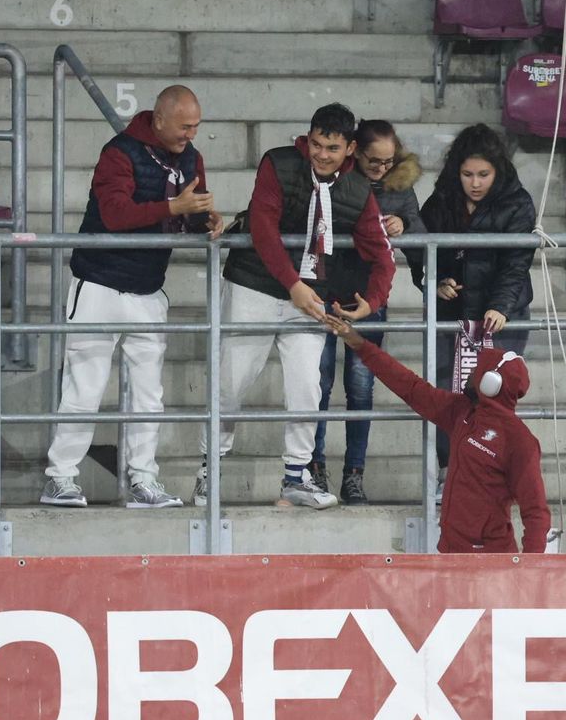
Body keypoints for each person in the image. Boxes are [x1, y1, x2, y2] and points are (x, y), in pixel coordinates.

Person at [194, 103, 396, 509]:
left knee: (308, 386)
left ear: (350, 148)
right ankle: (209, 470)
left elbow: (383, 256)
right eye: (317, 144)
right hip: (253, 285)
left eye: (333, 148)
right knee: (231, 381)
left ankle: (296, 476)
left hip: (311, 296)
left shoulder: (358, 189)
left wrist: (371, 302)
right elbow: (263, 228)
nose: (322, 154)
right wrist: (293, 285)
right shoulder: (278, 162)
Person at [41, 85, 223, 508]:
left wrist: (206, 220)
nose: (190, 135)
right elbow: (114, 214)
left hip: (148, 288)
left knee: (148, 394)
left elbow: (186, 214)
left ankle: (144, 480)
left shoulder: (191, 158)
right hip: (98, 283)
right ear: (158, 119)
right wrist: (173, 208)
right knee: (84, 387)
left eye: (195, 127)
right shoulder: (118, 152)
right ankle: (60, 477)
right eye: (184, 127)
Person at [325, 315, 549, 553]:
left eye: (477, 369)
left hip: (490, 560)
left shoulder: (520, 441)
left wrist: (528, 569)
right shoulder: (462, 411)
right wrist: (359, 344)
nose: (470, 373)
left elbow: (536, 512)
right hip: (449, 552)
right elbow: (409, 386)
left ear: (490, 383)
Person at [412, 123, 536, 495]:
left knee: (495, 397)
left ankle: (492, 477)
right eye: (468, 175)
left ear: (498, 171)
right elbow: (421, 249)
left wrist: (500, 306)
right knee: (447, 396)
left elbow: (516, 262)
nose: (475, 183)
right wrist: (435, 281)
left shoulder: (518, 203)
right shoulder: (441, 199)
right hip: (451, 314)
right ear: (457, 172)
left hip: (502, 318)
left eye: (483, 174)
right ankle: (449, 474)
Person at [308, 119, 426, 505]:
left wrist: (404, 224)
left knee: (360, 388)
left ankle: (354, 474)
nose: (381, 169)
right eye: (374, 161)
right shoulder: (334, 179)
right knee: (319, 384)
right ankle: (314, 468)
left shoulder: (399, 187)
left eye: (388, 162)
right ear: (355, 152)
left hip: (369, 298)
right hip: (324, 293)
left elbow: (422, 235)